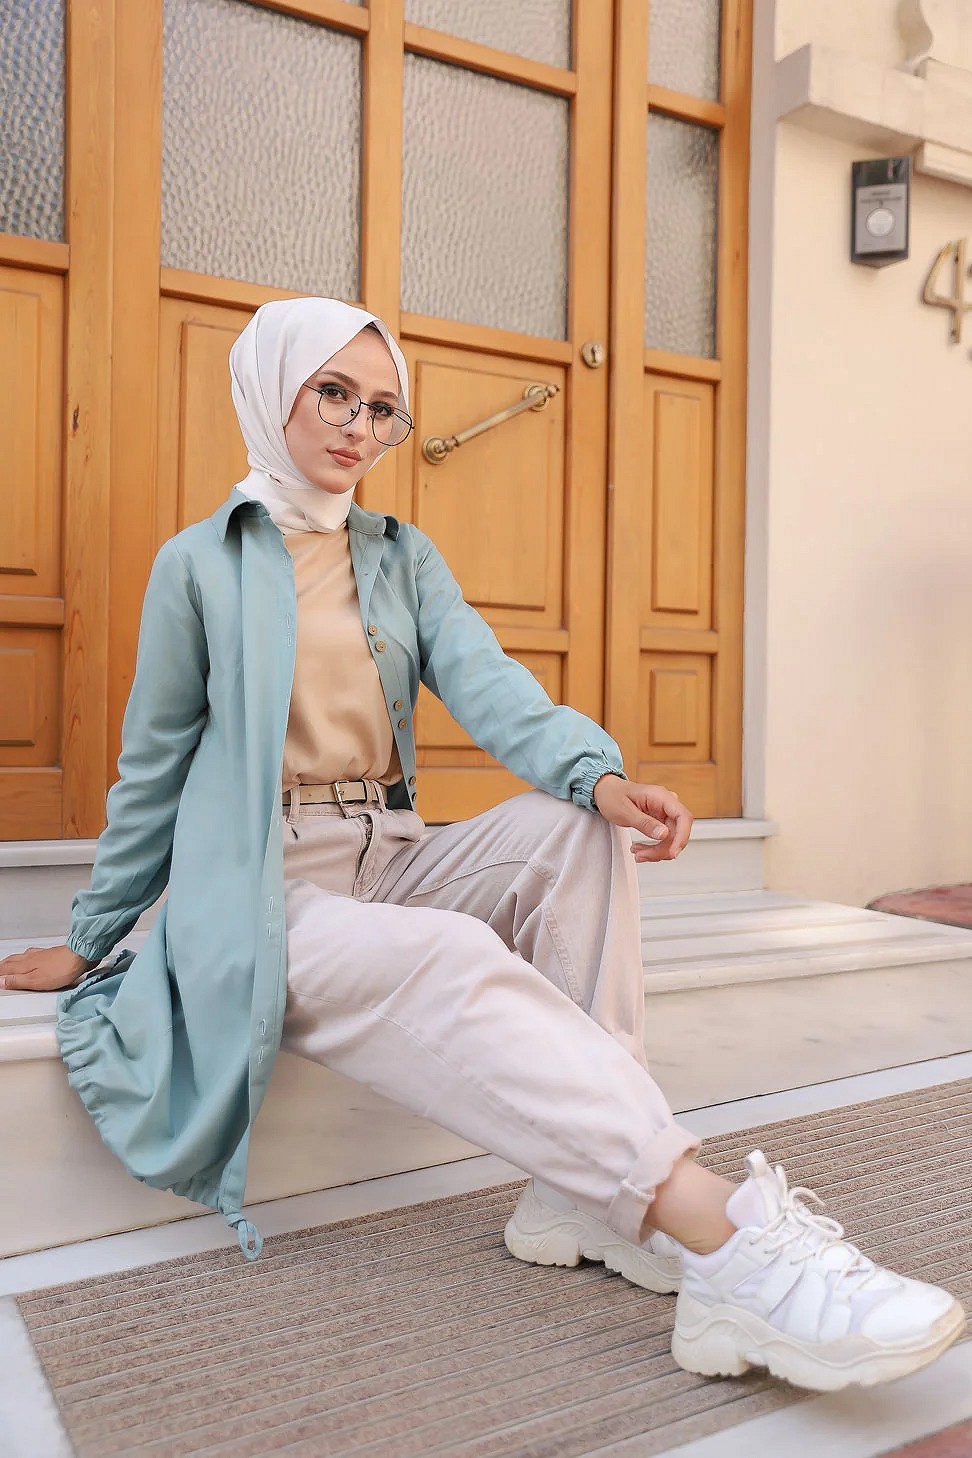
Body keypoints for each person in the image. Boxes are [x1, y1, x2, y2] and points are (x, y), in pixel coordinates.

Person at [0, 298, 963, 1393]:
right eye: (333, 393)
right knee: (452, 955)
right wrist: (93, 936)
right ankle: (724, 1237)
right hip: (259, 887)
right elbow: (152, 768)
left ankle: (575, 1198)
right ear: (270, 391)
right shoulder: (198, 566)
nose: (360, 427)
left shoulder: (400, 558)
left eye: (384, 409)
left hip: (390, 854)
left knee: (573, 830)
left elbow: (491, 684)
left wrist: (599, 777)